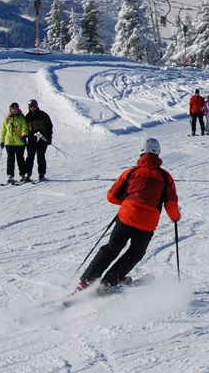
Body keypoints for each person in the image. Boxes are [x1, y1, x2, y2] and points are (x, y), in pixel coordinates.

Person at [77, 138, 180, 292]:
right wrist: (175, 217)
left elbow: (112, 196)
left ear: (141, 152)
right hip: (146, 225)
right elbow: (171, 204)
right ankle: (107, 283)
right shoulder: (165, 177)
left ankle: (86, 282)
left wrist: (129, 202)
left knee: (111, 249)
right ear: (158, 153)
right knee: (134, 253)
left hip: (126, 218)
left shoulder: (131, 172)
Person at [24, 99, 54, 182]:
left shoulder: (43, 115)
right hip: (31, 140)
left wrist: (49, 138)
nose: (32, 108)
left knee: (40, 157)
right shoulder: (27, 117)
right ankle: (28, 173)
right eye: (31, 107)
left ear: (37, 106)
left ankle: (41, 173)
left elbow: (49, 126)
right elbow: (24, 128)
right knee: (30, 157)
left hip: (42, 139)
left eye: (34, 106)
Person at [0, 102, 29, 185]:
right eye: (13, 109)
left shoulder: (21, 118)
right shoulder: (7, 119)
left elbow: (24, 128)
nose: (14, 110)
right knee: (10, 159)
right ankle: (10, 175)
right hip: (9, 143)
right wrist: (2, 140)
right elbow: (3, 131)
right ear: (10, 109)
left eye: (16, 109)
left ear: (18, 109)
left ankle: (22, 174)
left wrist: (24, 135)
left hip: (19, 143)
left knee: (20, 159)